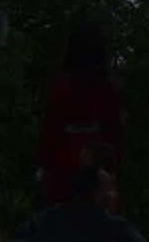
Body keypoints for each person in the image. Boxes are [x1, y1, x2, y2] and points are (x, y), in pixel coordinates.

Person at [0, 165, 149, 242]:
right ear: (98, 194)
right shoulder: (116, 228)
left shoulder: (44, 219)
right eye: (111, 189)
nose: (115, 195)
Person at [38, 22, 126, 206]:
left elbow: (50, 127)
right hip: (97, 157)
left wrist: (45, 165)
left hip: (63, 158)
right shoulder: (107, 87)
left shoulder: (62, 85)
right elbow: (114, 129)